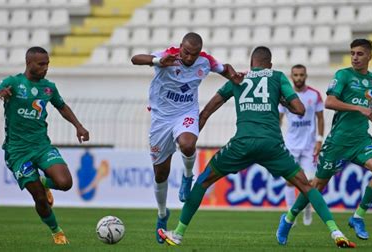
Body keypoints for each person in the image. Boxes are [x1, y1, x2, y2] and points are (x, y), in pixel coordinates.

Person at [157, 46, 355, 248]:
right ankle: (335, 231)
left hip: (242, 144)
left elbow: (207, 111)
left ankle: (178, 233)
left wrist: (190, 138)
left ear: (251, 63)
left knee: (203, 181)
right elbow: (300, 109)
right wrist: (281, 100)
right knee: (306, 186)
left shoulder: (237, 78)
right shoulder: (277, 77)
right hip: (272, 145)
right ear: (269, 64)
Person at [131, 32, 243, 244]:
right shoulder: (168, 55)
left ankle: (187, 176)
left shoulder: (205, 61)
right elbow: (136, 58)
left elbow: (224, 68)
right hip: (161, 119)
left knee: (187, 144)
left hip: (186, 113)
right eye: (186, 53)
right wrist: (157, 61)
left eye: (194, 54)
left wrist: (234, 76)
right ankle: (163, 214)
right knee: (160, 173)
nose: (190, 58)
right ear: (180, 47)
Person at [276, 38, 372, 242]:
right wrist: (357, 108)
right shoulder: (343, 75)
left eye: (360, 54)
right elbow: (330, 102)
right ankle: (289, 219)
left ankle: (358, 217)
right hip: (337, 142)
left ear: (370, 56)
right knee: (316, 186)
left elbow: (366, 106)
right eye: (352, 53)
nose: (355, 57)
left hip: (361, 139)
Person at [0, 46, 90, 245]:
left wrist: (79, 126)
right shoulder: (13, 82)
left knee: (65, 183)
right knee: (39, 198)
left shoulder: (48, 87)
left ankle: (45, 182)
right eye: (41, 64)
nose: (46, 68)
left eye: (47, 64)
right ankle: (57, 232)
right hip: (17, 151)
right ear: (29, 63)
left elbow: (62, 107)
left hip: (41, 146)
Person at [279, 64, 324, 226]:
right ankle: (291, 215)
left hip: (309, 146)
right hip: (291, 146)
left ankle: (306, 208)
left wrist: (319, 139)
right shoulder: (284, 96)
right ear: (291, 77)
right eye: (296, 75)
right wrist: (277, 140)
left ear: (306, 75)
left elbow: (320, 118)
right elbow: (279, 119)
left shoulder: (314, 95)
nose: (298, 78)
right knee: (290, 181)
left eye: (301, 75)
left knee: (310, 183)